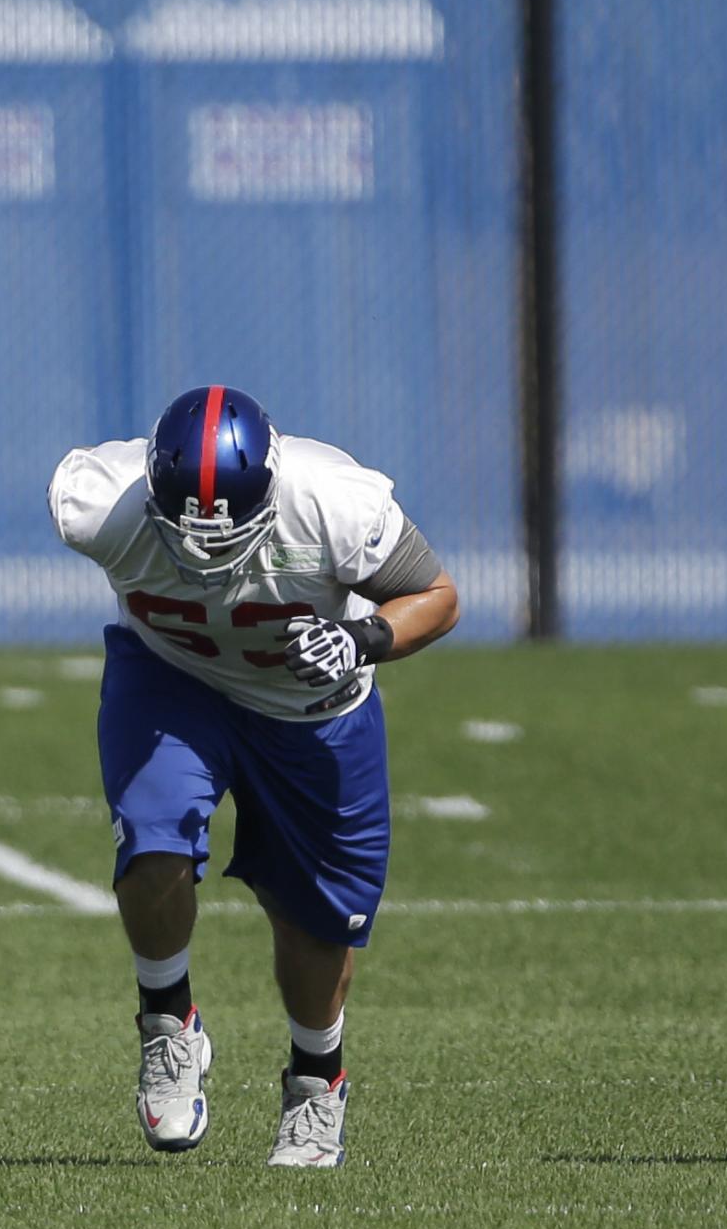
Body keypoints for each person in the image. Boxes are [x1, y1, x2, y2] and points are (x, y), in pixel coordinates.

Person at [49, 384, 461, 1169]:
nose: (207, 550)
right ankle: (168, 1024)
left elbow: (437, 597)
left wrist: (363, 636)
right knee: (152, 840)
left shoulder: (333, 501)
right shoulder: (100, 503)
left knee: (314, 921)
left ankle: (316, 1083)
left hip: (314, 709)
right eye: (187, 527)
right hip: (176, 681)